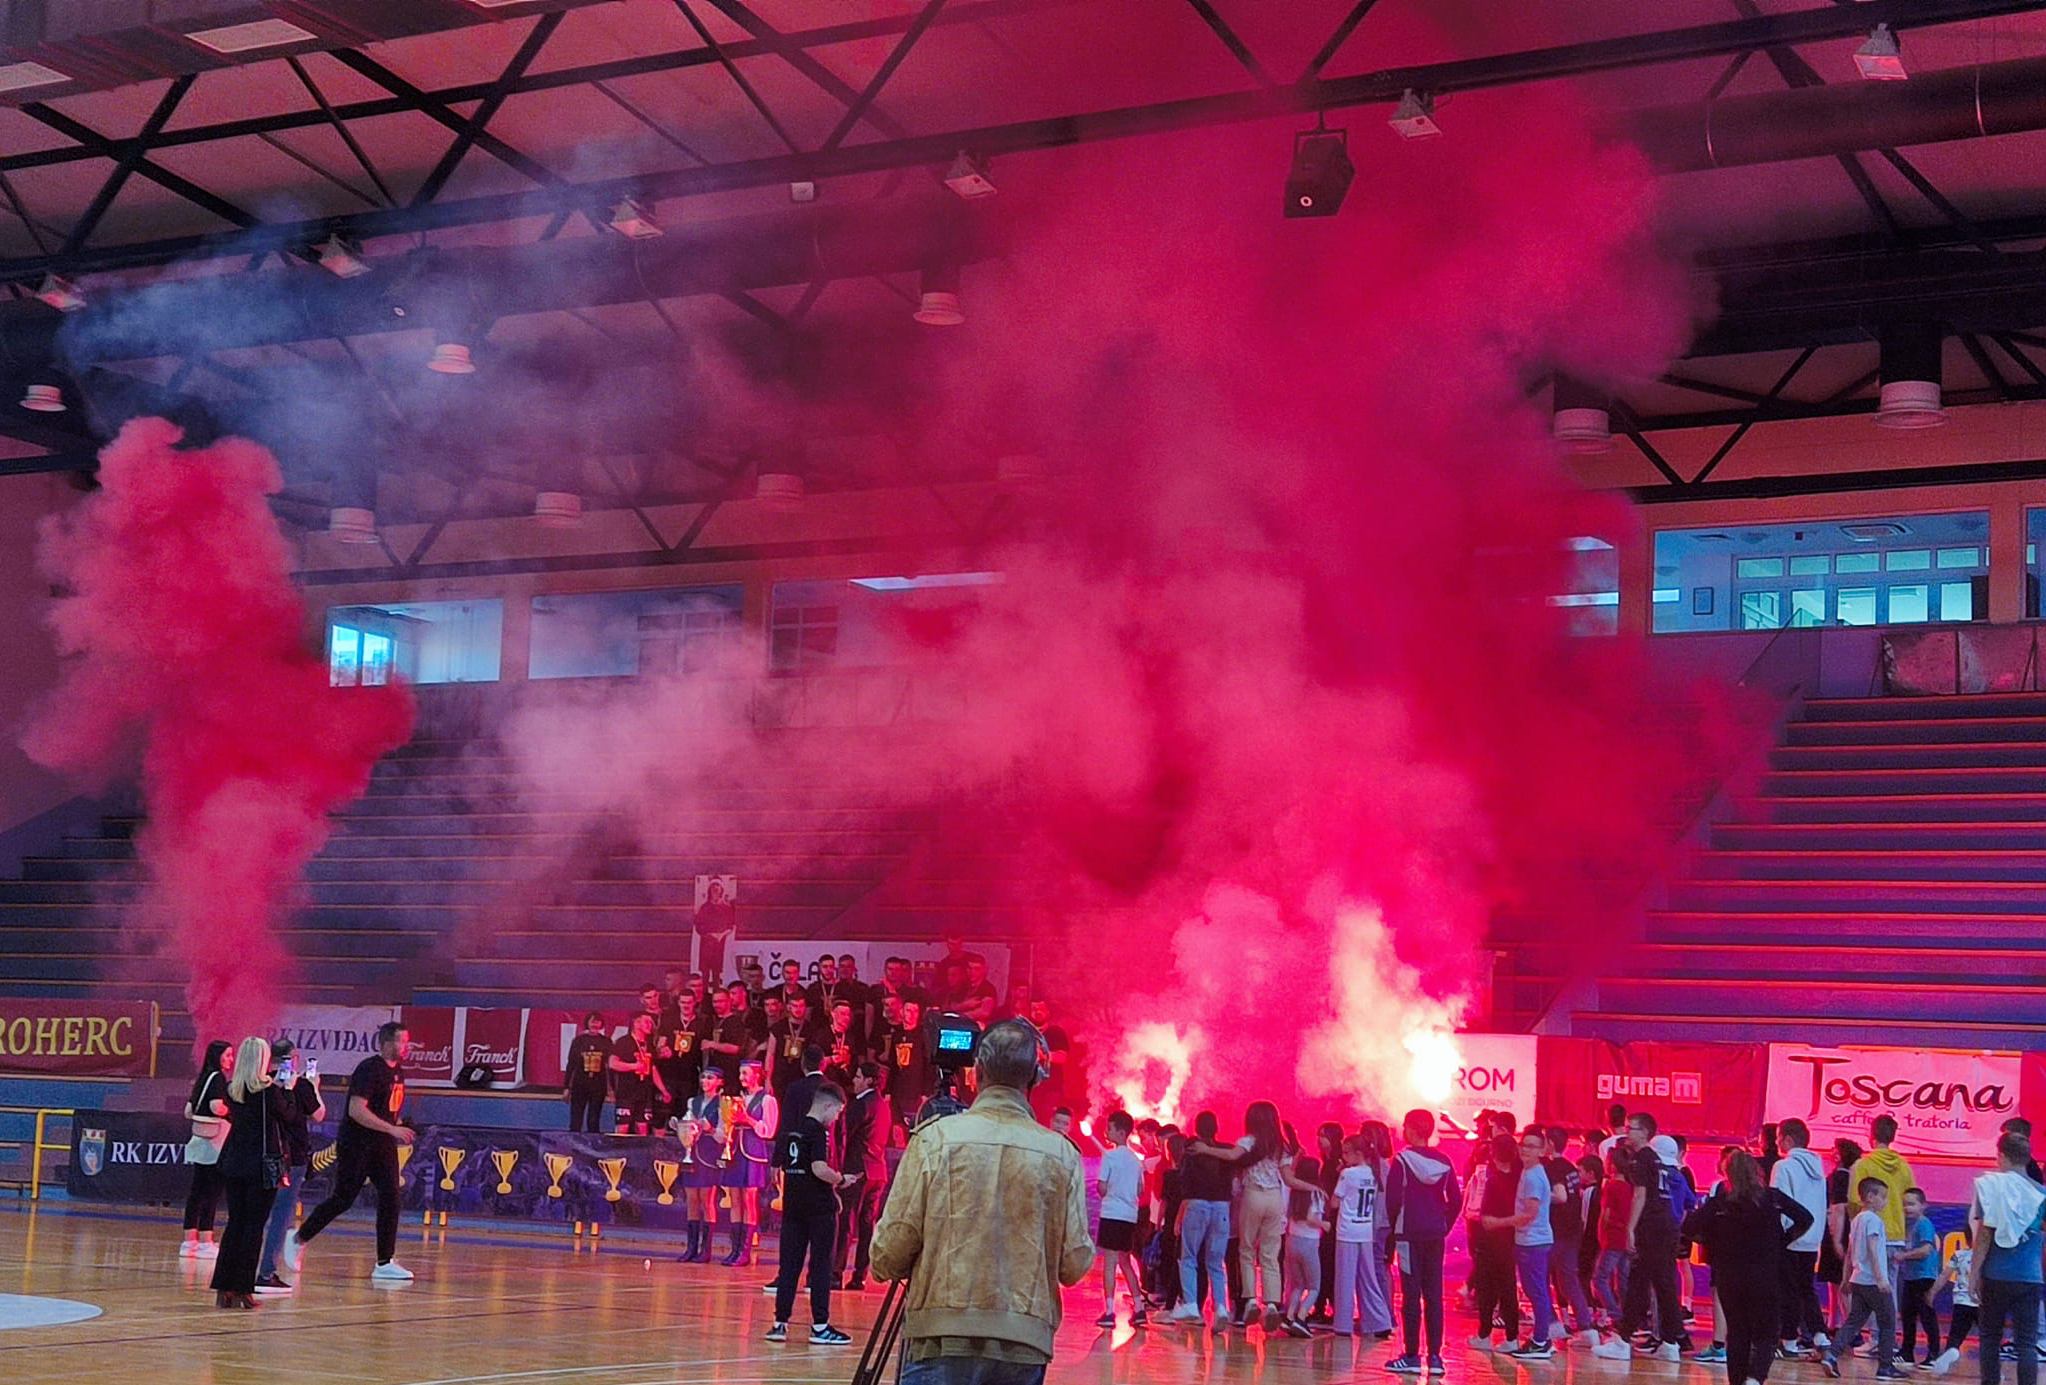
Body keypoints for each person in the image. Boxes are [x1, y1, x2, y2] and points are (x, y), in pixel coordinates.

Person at [871, 1018, 1094, 1385]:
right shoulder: (1061, 1155)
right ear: (1036, 1077)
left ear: (976, 1073)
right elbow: (1073, 1264)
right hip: (1024, 1341)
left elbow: (890, 1252)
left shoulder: (935, 1140)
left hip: (942, 1338)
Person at [286, 1021, 416, 1283]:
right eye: (402, 1041)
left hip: (381, 1145)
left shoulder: (398, 1072)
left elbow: (386, 1108)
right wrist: (391, 1129)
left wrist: (398, 1126)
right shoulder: (369, 1069)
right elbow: (356, 1111)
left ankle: (384, 1261)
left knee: (391, 1196)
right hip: (356, 1144)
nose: (406, 1046)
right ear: (388, 1042)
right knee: (343, 1198)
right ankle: (298, 1238)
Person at [1692, 1149, 1813, 1385]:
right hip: (1765, 1274)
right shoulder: (1773, 1198)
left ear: (1728, 1174)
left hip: (1730, 1274)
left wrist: (1713, 1242)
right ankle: (1755, 1377)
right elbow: (1805, 1218)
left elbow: (1689, 1227)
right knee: (1767, 1331)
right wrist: (1783, 1240)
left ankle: (1737, 1381)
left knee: (1737, 1333)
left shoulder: (1721, 1202)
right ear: (1756, 1171)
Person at [767, 1081, 856, 1347]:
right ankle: (820, 1326)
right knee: (820, 1267)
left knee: (789, 1266)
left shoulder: (791, 1131)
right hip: (818, 1211)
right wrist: (840, 1180)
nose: (836, 1118)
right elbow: (818, 1168)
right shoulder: (819, 1132)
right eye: (837, 1113)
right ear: (828, 1106)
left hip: (793, 1208)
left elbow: (778, 1169)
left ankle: (779, 1323)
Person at [1193, 1100, 1294, 1330]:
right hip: (1275, 1198)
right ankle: (1271, 1304)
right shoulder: (1282, 1145)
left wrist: (1207, 1149)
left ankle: (1249, 1300)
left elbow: (1231, 1156)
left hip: (1253, 1195)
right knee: (1270, 1253)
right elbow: (1288, 1178)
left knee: (1246, 1249)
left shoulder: (1248, 1141)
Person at [210, 1037, 294, 1310]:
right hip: (260, 1166)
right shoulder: (269, 1091)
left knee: (235, 1224)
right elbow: (289, 1117)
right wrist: (289, 1089)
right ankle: (245, 1289)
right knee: (253, 1228)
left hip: (234, 1162)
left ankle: (224, 1288)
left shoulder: (233, 1089)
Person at [1594, 1139, 1686, 1361]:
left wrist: (1631, 1228)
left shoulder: (1647, 1167)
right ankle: (1672, 1340)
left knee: (1639, 1284)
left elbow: (1640, 1195)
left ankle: (1625, 1338)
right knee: (1662, 1286)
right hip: (1668, 1231)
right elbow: (1688, 1205)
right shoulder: (1677, 1175)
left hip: (1651, 1230)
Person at [1384, 1107, 1459, 1375]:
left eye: (1405, 1125)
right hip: (1434, 1235)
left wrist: (1393, 1233)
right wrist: (1443, 1226)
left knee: (1411, 1296)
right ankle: (1436, 1358)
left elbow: (1392, 1201)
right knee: (1434, 1296)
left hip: (1408, 1235)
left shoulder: (1401, 1161)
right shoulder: (1445, 1161)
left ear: (1413, 1129)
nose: (1403, 1130)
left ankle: (1412, 1355)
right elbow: (1456, 1200)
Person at [1969, 1132, 2046, 1385]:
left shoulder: (1990, 1187)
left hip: (1996, 1275)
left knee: (1990, 1338)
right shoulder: (2042, 1194)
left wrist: (1973, 1274)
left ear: (2001, 1156)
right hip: (2029, 1277)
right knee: (2026, 1343)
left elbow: (1984, 1236)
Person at [252, 1039, 324, 1295]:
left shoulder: (262, 1084)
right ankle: (266, 1273)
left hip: (264, 1156)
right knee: (281, 1215)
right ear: (292, 1058)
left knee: (257, 1215)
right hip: (290, 1159)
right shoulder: (301, 1085)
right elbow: (318, 1114)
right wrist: (314, 1088)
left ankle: (248, 1269)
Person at [1821, 1177, 1904, 1381]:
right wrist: (1880, 1278)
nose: (1885, 1201)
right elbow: (1873, 1249)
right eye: (1882, 1197)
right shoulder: (1874, 1220)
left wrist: (1846, 1277)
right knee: (1888, 1321)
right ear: (1870, 1196)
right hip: (1873, 1281)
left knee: (1853, 1321)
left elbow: (1850, 1252)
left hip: (1858, 1279)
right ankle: (1885, 1366)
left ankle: (1832, 1354)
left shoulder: (1857, 1219)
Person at [1495, 1127, 1557, 1359]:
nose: (1526, 1150)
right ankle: (1542, 1337)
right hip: (1531, 1239)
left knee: (1537, 1291)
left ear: (1542, 1150)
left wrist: (1498, 1222)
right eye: (1523, 1145)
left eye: (1532, 1146)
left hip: (1533, 1241)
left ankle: (1541, 1340)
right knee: (1536, 1290)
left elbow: (1530, 1213)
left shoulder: (1533, 1176)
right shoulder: (1530, 1172)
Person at [1771, 1117, 1829, 1356]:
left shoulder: (1783, 1167)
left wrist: (1780, 1234)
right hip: (1813, 1235)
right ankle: (1819, 1334)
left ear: (1787, 1139)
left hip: (1791, 1235)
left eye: (1778, 1137)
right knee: (1806, 1288)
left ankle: (1789, 1340)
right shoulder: (1819, 1167)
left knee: (1789, 1290)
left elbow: (1781, 1202)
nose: (1776, 1142)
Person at [1169, 1110, 1233, 1325]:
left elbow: (1184, 1181)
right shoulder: (1227, 1151)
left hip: (1197, 1204)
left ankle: (1191, 1304)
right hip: (1222, 1207)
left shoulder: (1192, 1151)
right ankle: (1221, 1307)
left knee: (1188, 1257)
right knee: (1215, 1262)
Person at [835, 1061, 891, 1291]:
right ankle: (859, 1275)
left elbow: (845, 1136)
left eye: (858, 1077)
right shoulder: (883, 1105)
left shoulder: (861, 1105)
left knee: (847, 1222)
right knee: (867, 1225)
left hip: (858, 1170)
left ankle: (835, 1273)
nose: (854, 1081)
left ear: (869, 1080)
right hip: (878, 1170)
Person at [1332, 1132, 1391, 1339]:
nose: (1344, 1157)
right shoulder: (1373, 1173)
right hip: (1365, 1231)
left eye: (1347, 1153)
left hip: (1347, 1232)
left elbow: (1335, 1202)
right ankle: (1379, 1321)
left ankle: (1343, 1325)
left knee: (1345, 1280)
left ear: (1358, 1153)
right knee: (1369, 1279)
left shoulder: (1348, 1174)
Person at [1468, 1134, 1521, 1351]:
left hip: (1490, 1240)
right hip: (1510, 1238)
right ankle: (1511, 1336)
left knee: (1487, 1288)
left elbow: (1483, 1213)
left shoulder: (1492, 1179)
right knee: (1508, 1287)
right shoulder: (1520, 1176)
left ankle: (1484, 1334)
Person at [180, 1039, 233, 1259]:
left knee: (196, 1192)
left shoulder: (202, 1077)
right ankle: (206, 1240)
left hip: (198, 1141)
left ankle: (188, 1241)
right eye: (228, 1055)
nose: (231, 1059)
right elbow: (216, 1107)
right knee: (212, 1192)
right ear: (218, 1056)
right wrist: (233, 1110)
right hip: (214, 1142)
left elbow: (188, 1110)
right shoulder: (218, 1078)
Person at [1545, 1123, 1596, 1346]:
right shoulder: (1571, 1168)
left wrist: (1535, 1193)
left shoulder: (1553, 1167)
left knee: (1541, 1279)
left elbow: (1560, 1196)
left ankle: (1555, 1325)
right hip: (1572, 1230)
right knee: (1567, 1280)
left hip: (1557, 1231)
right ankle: (1585, 1327)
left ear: (1549, 1144)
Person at [723, 1059, 777, 1268]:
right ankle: (734, 1249)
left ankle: (745, 1250)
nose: (741, 1078)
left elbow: (769, 1130)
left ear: (757, 1075)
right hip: (736, 1151)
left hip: (754, 1153)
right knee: (735, 1199)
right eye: (740, 1074)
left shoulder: (767, 1100)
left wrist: (748, 1120)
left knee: (749, 1200)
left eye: (745, 1074)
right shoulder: (739, 1098)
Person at [675, 1066, 731, 1264]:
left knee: (707, 1201)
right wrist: (681, 1126)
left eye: (710, 1077)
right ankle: (691, 1247)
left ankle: (705, 1249)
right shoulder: (693, 1102)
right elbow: (686, 1124)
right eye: (703, 1077)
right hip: (693, 1154)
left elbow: (723, 1136)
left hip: (709, 1154)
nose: (705, 1081)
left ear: (719, 1082)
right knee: (691, 1200)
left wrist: (710, 1128)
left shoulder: (722, 1104)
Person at [1097, 1110, 1147, 1329]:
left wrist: (1109, 1190)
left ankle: (1109, 1312)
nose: (1107, 1132)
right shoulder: (1136, 1161)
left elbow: (1101, 1187)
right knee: (1125, 1262)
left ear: (1121, 1132)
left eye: (1110, 1128)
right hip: (1129, 1216)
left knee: (1109, 1263)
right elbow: (1140, 1189)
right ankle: (1139, 1307)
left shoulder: (1109, 1157)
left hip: (1111, 1214)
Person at [1851, 1116, 1920, 1251]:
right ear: (1893, 1137)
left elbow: (1855, 1201)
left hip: (1870, 1235)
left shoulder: (1863, 1165)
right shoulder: (1904, 1166)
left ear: (1872, 1135)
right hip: (1897, 1237)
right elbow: (1912, 1200)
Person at [1279, 1154, 1329, 1338]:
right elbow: (1311, 1218)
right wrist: (1324, 1224)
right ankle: (1301, 1317)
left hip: (1292, 1240)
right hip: (1309, 1241)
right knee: (1314, 1285)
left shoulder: (1295, 1192)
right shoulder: (1316, 1192)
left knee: (1298, 1284)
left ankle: (1289, 1316)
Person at [1820, 1139, 1865, 1338]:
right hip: (1848, 1229)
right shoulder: (1854, 1177)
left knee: (1841, 1281)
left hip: (1839, 1230)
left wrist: (1835, 1238)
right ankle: (1833, 1322)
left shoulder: (1839, 1177)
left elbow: (1838, 1208)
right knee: (1835, 1281)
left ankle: (1851, 1329)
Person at [1927, 1233, 1981, 1377]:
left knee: (1956, 1336)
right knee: (1989, 1338)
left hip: (1961, 1302)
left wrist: (1932, 1292)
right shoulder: (1988, 1257)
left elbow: (1944, 1275)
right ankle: (1993, 1371)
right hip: (1982, 1303)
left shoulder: (1959, 1255)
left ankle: (1952, 1350)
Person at [1900, 1188, 1943, 1367]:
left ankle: (1933, 1353)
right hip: (1910, 1276)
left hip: (1924, 1276)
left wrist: (1904, 1256)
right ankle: (1907, 1353)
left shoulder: (1923, 1223)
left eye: (1911, 1204)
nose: (1907, 1208)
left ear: (1923, 1206)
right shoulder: (1905, 1225)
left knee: (1926, 1315)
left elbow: (1926, 1250)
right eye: (1904, 1204)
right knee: (1907, 1315)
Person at [1592, 1147, 1634, 1330]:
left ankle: (1615, 1314)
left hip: (1612, 1237)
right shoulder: (1631, 1186)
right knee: (1623, 1279)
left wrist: (1600, 1232)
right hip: (1627, 1236)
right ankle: (1628, 1315)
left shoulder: (1611, 1186)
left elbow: (1606, 1215)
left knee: (1600, 1278)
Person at [608, 1010, 667, 1136]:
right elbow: (612, 1063)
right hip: (627, 1092)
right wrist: (633, 1066)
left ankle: (642, 1155)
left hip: (644, 1092)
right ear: (636, 1023)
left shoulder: (649, 1044)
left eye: (651, 1023)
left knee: (643, 1128)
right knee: (623, 1128)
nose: (650, 1025)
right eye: (647, 1022)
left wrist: (663, 1090)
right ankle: (618, 1154)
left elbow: (653, 1069)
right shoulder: (624, 1042)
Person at [564, 1012, 611, 1133]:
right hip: (580, 1084)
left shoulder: (606, 1042)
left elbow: (610, 1066)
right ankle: (573, 1147)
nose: (595, 1024)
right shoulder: (578, 1041)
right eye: (592, 1021)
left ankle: (593, 1149)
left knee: (594, 1119)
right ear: (587, 1023)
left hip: (598, 1085)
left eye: (597, 1021)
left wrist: (612, 1089)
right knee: (576, 1119)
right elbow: (571, 1064)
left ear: (601, 1024)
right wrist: (566, 1087)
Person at [693, 876, 736, 983]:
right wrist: (709, 934)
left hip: (719, 945)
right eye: (713, 888)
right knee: (705, 974)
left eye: (718, 888)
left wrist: (722, 934)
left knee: (717, 973)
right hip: (706, 945)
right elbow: (698, 926)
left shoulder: (727, 908)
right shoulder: (704, 908)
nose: (715, 890)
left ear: (721, 890)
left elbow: (730, 926)